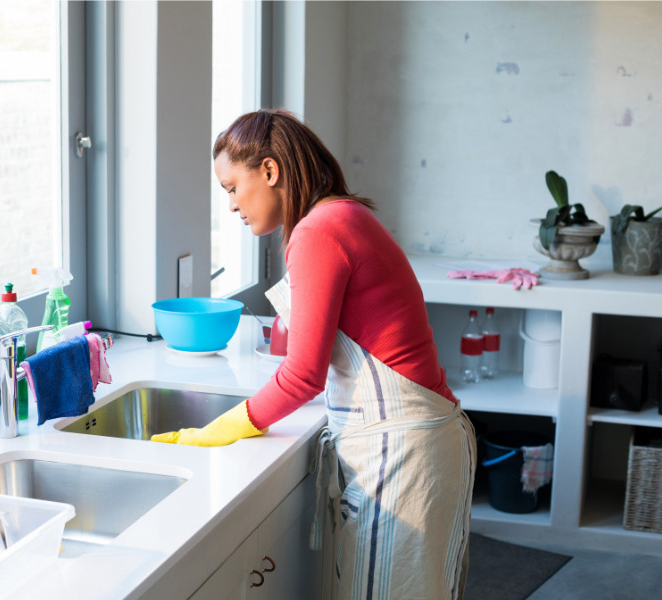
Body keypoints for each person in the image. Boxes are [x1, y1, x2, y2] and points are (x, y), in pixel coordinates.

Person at [153, 109, 475, 600]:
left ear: (269, 171)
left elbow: (302, 374)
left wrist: (219, 429)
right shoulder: (340, 216)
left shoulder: (319, 231)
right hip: (414, 441)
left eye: (232, 187)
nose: (233, 205)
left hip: (403, 452)